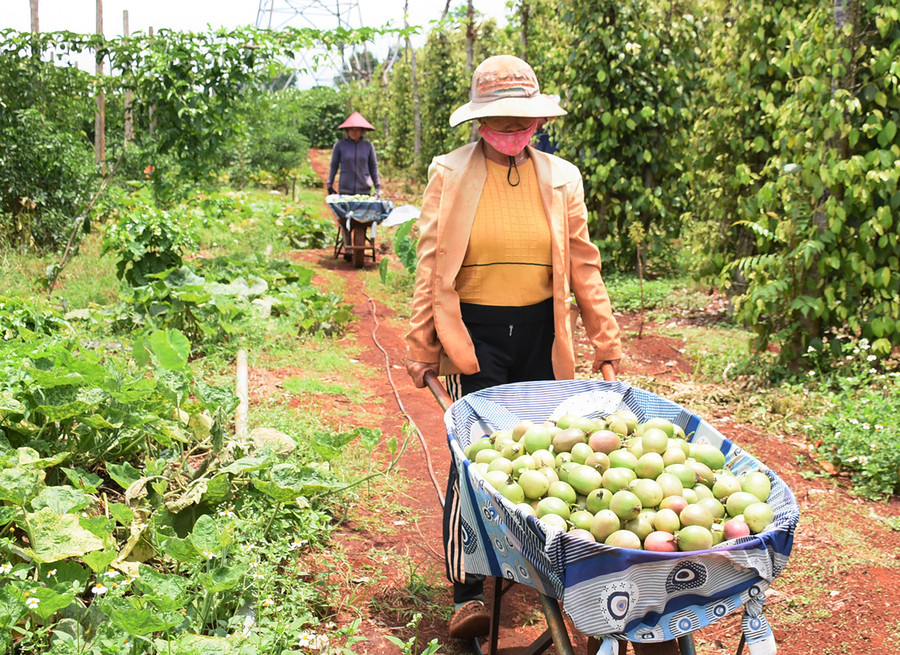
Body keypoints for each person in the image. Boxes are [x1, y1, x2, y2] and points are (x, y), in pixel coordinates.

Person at [404, 55, 626, 642]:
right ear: (478, 123)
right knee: (475, 451)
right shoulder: (448, 173)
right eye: (500, 123)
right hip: (472, 333)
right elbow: (431, 265)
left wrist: (605, 337)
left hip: (540, 331)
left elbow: (583, 261)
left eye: (524, 122)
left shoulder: (560, 176)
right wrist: (421, 342)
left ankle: (546, 559)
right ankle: (466, 590)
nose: (513, 133)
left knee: (547, 450)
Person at [326, 111, 381, 197]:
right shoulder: (340, 145)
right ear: (347, 130)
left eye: (357, 129)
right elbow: (334, 165)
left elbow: (373, 167)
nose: (354, 132)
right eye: (351, 129)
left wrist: (377, 186)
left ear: (362, 131)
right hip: (345, 189)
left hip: (364, 190)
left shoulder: (368, 146)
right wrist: (330, 183)